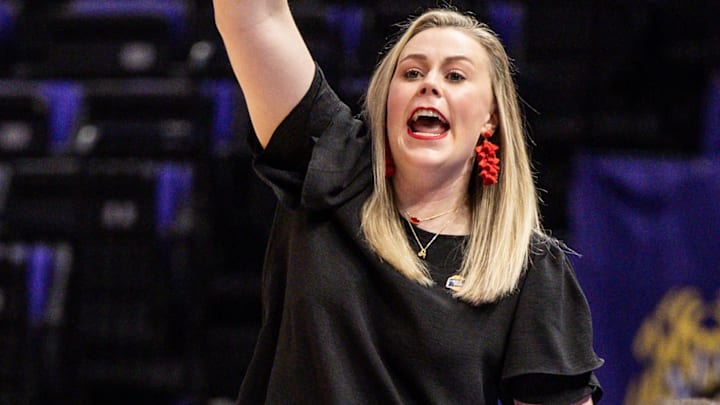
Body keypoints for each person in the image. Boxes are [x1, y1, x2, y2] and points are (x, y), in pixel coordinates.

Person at [213, 1, 604, 404]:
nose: (429, 84)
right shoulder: (329, 166)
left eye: (455, 75)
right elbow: (252, 17)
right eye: (412, 72)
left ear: (491, 117)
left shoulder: (528, 267)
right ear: (387, 100)